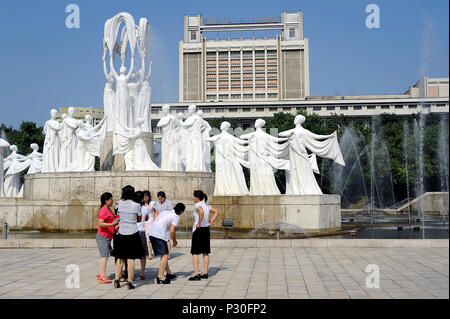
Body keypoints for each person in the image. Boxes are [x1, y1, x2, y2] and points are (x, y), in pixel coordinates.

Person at [113, 185, 145, 290]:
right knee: (131, 259)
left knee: (120, 258)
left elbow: (117, 215)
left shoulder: (119, 204)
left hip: (121, 233)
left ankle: (117, 279)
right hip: (132, 233)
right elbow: (139, 219)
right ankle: (129, 282)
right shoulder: (136, 205)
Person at [149, 203, 185, 284]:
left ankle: (169, 273)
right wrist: (174, 241)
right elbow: (172, 230)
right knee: (165, 255)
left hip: (152, 233)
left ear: (174, 206)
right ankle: (160, 276)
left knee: (163, 255)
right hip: (158, 234)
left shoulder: (165, 212)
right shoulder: (176, 216)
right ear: (181, 212)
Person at [189, 190, 214, 281]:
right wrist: (211, 221)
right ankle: (205, 272)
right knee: (205, 252)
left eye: (193, 196)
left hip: (198, 230)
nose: (193, 198)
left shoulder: (197, 205)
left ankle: (196, 273)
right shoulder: (207, 205)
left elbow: (201, 212)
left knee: (195, 252)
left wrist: (199, 223)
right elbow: (216, 211)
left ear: (197, 198)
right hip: (206, 230)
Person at [96, 192, 119, 283]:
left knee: (106, 255)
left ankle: (100, 273)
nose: (112, 201)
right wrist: (112, 224)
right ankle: (102, 276)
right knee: (104, 256)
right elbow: (100, 223)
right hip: (103, 236)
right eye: (111, 199)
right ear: (106, 201)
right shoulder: (103, 210)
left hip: (108, 236)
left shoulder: (108, 209)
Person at [154, 191, 174, 258]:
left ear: (164, 197)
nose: (160, 200)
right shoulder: (157, 203)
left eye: (161, 198)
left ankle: (168, 254)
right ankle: (163, 253)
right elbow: (156, 212)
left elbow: (171, 213)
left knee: (167, 238)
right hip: (159, 222)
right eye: (159, 198)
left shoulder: (169, 203)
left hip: (167, 222)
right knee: (161, 238)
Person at [134, 191, 149, 280]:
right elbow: (146, 218)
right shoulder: (145, 208)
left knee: (131, 254)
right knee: (142, 255)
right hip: (142, 231)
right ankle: (142, 273)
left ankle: (128, 271)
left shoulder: (133, 207)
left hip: (133, 231)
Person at [143, 190, 156, 260]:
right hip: (143, 221)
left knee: (149, 238)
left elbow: (155, 211)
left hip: (150, 221)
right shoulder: (141, 203)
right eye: (144, 196)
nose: (145, 198)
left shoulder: (152, 203)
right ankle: (144, 253)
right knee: (143, 237)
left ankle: (150, 254)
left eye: (146, 196)